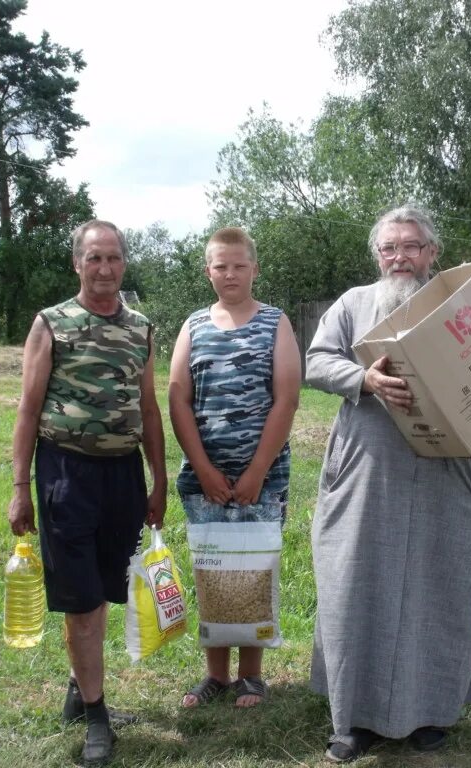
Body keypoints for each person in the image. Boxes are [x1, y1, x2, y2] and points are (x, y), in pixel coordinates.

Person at [305, 205, 471, 763]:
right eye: (390, 247)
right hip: (367, 473)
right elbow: (313, 362)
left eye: (411, 246)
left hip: (445, 473)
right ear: (377, 255)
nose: (400, 257)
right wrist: (364, 378)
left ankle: (433, 712)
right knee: (355, 584)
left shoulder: (464, 310)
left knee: (441, 584)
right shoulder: (353, 306)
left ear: (432, 252)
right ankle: (351, 722)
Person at [8, 219, 167, 766]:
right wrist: (19, 487)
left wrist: (159, 478)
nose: (105, 269)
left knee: (101, 589)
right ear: (77, 263)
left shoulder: (141, 327)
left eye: (114, 258)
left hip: (122, 475)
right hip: (65, 475)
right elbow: (28, 411)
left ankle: (80, 692)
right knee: (79, 598)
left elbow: (148, 408)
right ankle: (97, 716)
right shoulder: (51, 324)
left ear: (124, 263)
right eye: (94, 258)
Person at [168, 226, 300, 709]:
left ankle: (251, 676)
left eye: (239, 265)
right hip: (205, 480)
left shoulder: (275, 323)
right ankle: (215, 675)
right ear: (208, 271)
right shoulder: (193, 325)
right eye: (220, 266)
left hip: (262, 478)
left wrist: (257, 471)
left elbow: (287, 399)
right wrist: (203, 468)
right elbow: (177, 398)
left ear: (254, 269)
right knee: (214, 569)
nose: (230, 274)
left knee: (253, 569)